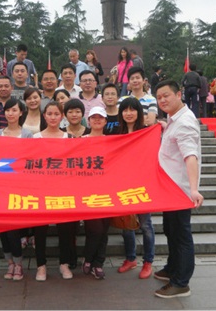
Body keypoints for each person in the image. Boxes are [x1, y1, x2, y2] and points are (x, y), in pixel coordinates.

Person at [154, 79, 204, 298]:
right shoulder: (175, 119)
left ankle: (181, 282)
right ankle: (173, 268)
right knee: (171, 231)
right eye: (159, 97)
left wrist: (193, 189)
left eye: (166, 95)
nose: (163, 100)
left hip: (180, 190)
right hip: (169, 189)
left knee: (180, 235)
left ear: (179, 94)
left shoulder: (184, 122)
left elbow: (190, 155)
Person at [32, 102, 75, 281]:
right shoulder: (35, 138)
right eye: (49, 114)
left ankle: (64, 264)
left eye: (56, 114)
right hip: (39, 190)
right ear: (44, 116)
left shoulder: (70, 137)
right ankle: (41, 266)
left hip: (63, 190)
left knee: (65, 230)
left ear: (62, 116)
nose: (52, 117)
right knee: (39, 231)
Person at [0, 98, 32, 282]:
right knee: (3, 229)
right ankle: (9, 262)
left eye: (14, 110)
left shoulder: (27, 135)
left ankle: (18, 263)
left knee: (13, 229)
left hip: (19, 188)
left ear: (20, 112)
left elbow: (29, 160)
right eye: (7, 110)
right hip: (0, 187)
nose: (10, 113)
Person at [116, 97, 155, 279]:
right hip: (123, 184)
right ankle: (130, 258)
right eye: (125, 110)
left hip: (143, 185)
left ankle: (148, 262)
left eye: (132, 109)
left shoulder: (147, 132)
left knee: (146, 225)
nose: (129, 113)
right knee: (127, 225)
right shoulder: (117, 134)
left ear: (139, 112)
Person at [81, 106, 110, 280]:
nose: (97, 120)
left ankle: (97, 263)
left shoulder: (113, 141)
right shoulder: (81, 140)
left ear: (106, 121)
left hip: (108, 191)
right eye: (94, 117)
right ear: (89, 121)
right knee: (95, 228)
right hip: (87, 192)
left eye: (101, 117)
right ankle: (89, 258)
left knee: (104, 229)